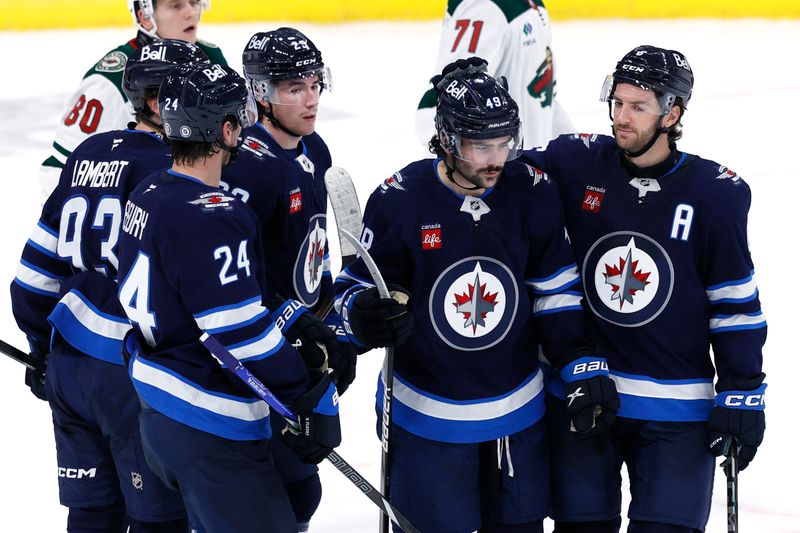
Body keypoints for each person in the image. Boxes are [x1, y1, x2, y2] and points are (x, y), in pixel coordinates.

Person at [334, 59, 617, 533]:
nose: (496, 160)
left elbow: (555, 291)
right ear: (446, 139)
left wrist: (576, 357)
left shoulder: (530, 190)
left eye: (505, 144)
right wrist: (361, 314)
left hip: (516, 410)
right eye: (480, 145)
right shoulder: (401, 198)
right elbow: (355, 288)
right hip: (426, 412)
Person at [521, 45, 768, 533]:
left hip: (678, 410)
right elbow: (491, 171)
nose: (622, 118)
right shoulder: (575, 163)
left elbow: (735, 304)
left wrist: (743, 389)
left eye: (638, 107)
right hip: (585, 392)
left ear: (672, 113)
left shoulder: (716, 194)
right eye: (617, 103)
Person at [117, 63, 341, 533]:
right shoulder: (214, 214)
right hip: (207, 420)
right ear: (224, 129)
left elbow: (192, 294)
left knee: (299, 494)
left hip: (160, 411)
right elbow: (239, 332)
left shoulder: (148, 191)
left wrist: (286, 314)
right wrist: (306, 390)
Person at [9, 39, 210, 533]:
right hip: (134, 374)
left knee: (92, 513)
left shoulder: (88, 152)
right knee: (157, 520)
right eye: (194, 93)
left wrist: (42, 346)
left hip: (71, 363)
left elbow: (33, 277)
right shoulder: (176, 170)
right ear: (161, 104)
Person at [221, 27, 356, 532]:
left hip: (300, 341)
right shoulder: (247, 170)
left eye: (315, 83)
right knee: (276, 490)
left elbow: (313, 250)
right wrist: (294, 325)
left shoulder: (314, 149)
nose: (311, 98)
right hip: (257, 351)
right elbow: (234, 278)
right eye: (294, 88)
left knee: (301, 488)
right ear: (260, 94)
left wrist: (330, 324)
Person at [37, 0, 227, 203]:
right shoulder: (110, 81)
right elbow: (60, 167)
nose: (191, 13)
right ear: (145, 17)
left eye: (194, 2)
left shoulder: (211, 58)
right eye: (176, 5)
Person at [415, 0, 573, 150]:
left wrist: (573, 147)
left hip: (527, 169)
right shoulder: (483, 7)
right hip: (499, 171)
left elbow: (542, 102)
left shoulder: (532, 4)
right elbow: (438, 108)